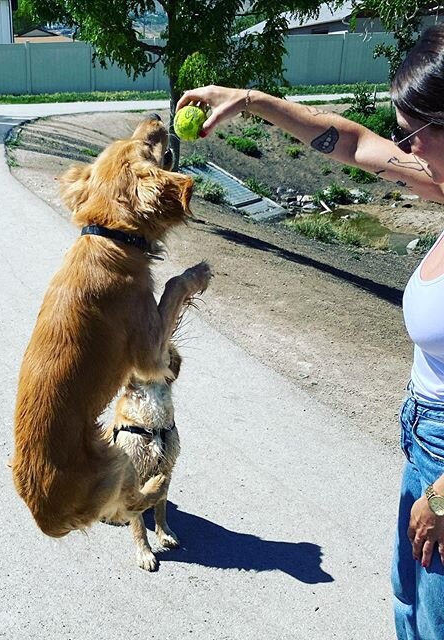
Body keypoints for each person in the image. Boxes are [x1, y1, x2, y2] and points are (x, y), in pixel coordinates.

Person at [177, 24, 444, 640]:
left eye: (414, 133)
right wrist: (248, 100)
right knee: (409, 604)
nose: (406, 148)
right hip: (422, 438)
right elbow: (351, 142)